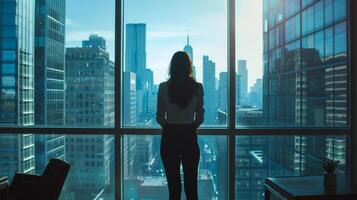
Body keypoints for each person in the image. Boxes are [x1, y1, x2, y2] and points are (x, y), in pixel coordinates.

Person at [156, 51, 204, 200]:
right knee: (191, 187)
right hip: (189, 135)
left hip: (170, 136)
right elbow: (200, 117)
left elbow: (159, 117)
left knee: (173, 188)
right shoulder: (197, 87)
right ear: (188, 67)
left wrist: (170, 127)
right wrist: (190, 127)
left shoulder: (164, 87)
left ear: (172, 66)